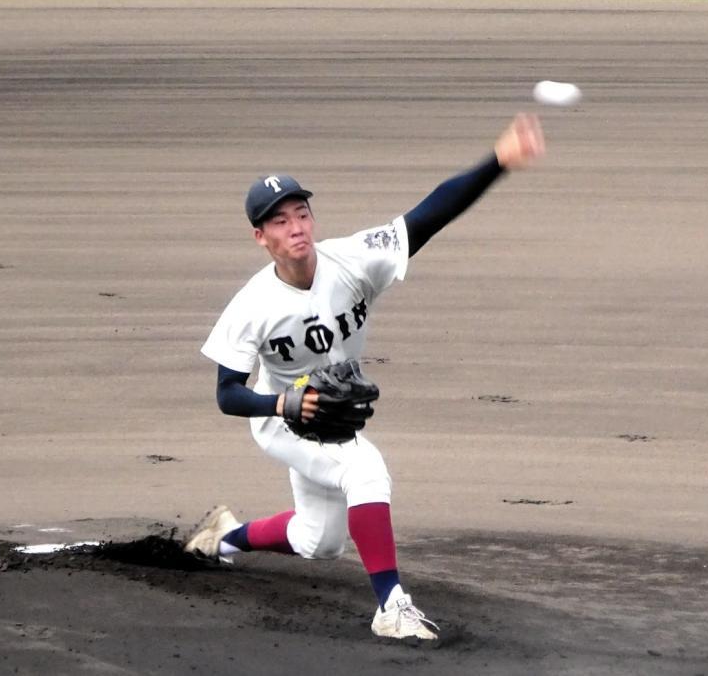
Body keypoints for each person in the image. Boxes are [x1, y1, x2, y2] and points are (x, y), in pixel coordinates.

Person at [185, 113, 546, 640]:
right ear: (260, 237)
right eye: (280, 222)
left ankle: (222, 539)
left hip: (332, 410)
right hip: (280, 419)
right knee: (366, 471)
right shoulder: (251, 306)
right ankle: (391, 607)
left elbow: (427, 216)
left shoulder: (351, 260)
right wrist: (285, 405)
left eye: (301, 213)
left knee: (320, 540)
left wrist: (497, 162)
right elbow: (227, 395)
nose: (296, 227)